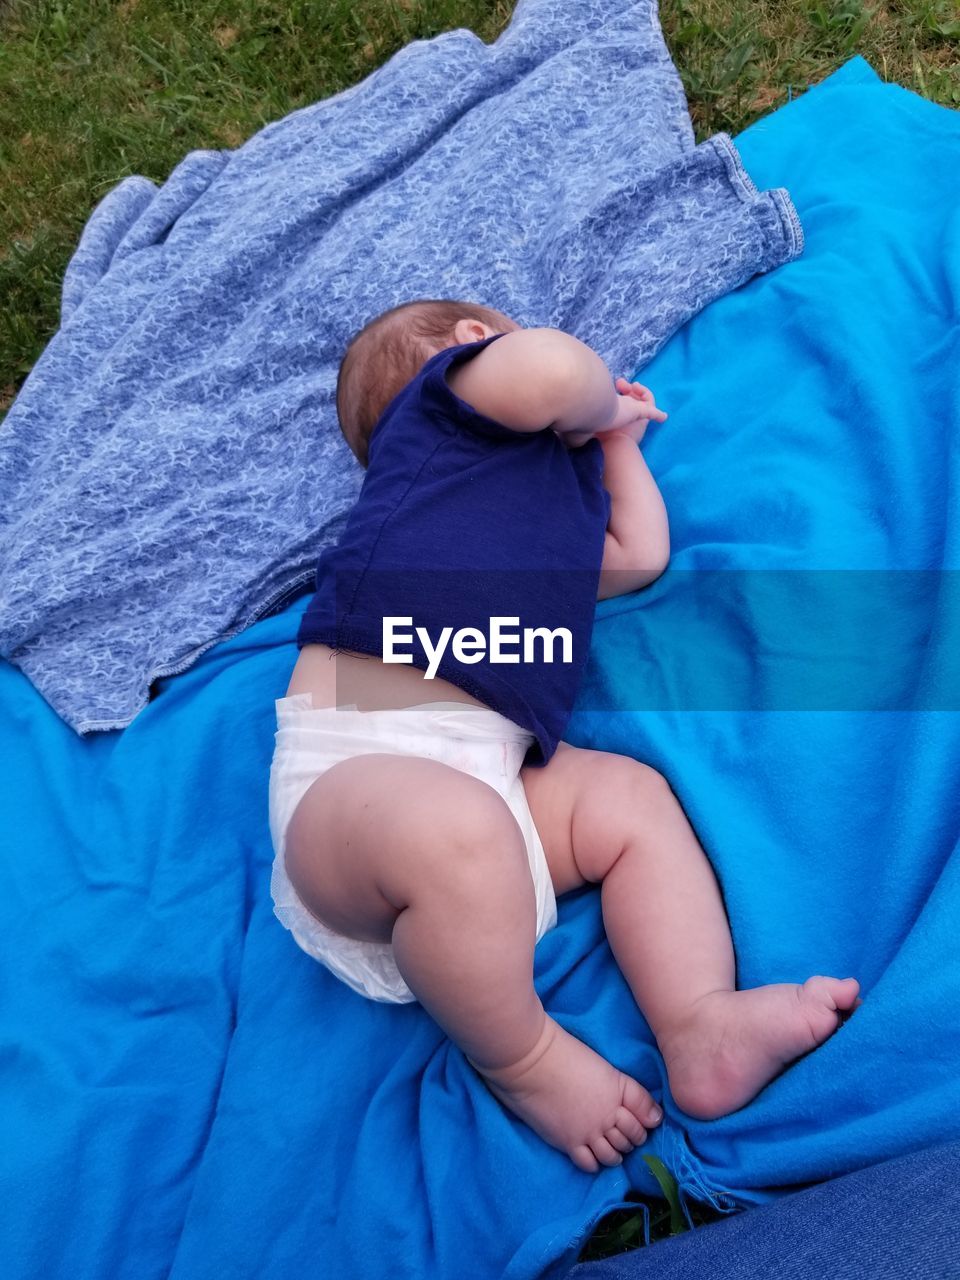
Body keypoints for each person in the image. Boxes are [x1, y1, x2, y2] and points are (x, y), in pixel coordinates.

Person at [267, 299, 860, 1174]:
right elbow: (548, 372)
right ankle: (523, 1060)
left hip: (497, 800)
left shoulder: (549, 509)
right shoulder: (440, 421)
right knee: (452, 829)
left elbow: (636, 557)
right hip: (354, 787)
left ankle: (698, 1021)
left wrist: (617, 450)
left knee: (629, 802)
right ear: (472, 347)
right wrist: (599, 404)